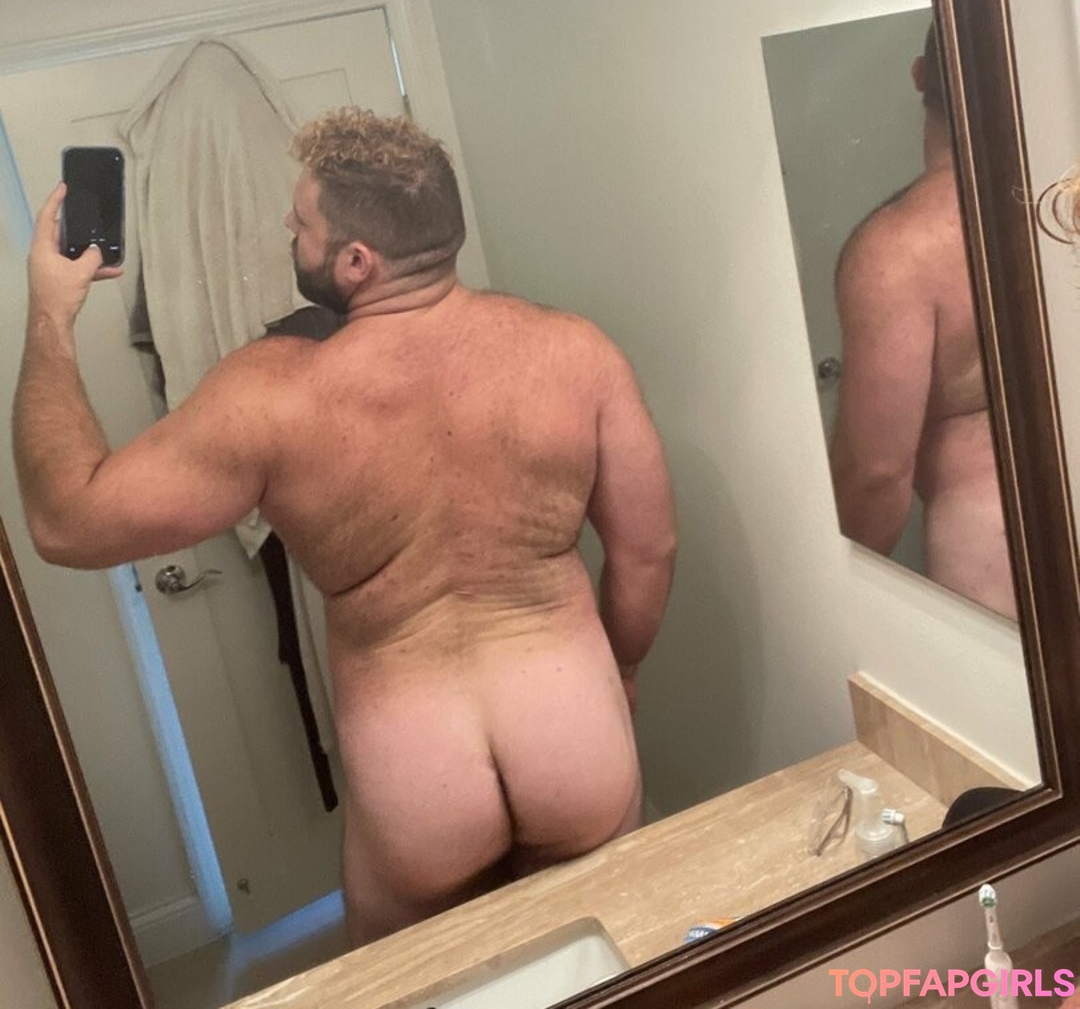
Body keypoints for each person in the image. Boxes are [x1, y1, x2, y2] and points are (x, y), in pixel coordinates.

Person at [13, 108, 677, 945]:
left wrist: (51, 312)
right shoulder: (577, 352)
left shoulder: (274, 396)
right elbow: (647, 552)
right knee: (616, 965)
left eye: (302, 223)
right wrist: (620, 668)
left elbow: (66, 519)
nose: (288, 231)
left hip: (419, 788)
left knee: (428, 991)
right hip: (575, 738)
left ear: (357, 261)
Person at [828, 27, 1014, 618]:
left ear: (918, 75)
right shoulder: (1064, 204)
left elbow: (876, 476)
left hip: (1001, 569)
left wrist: (834, 604)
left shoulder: (901, 250)